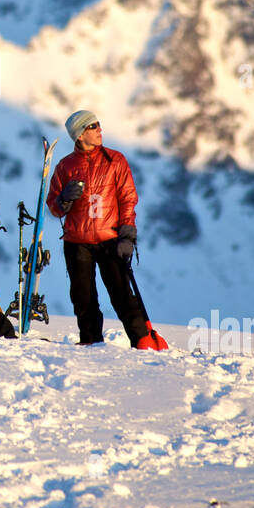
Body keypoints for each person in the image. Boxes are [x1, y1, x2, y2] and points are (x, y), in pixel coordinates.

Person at [45, 110, 165, 349]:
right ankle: (90, 345)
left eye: (98, 124)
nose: (99, 128)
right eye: (92, 126)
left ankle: (143, 342)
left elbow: (128, 198)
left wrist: (128, 235)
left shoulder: (115, 160)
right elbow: (54, 207)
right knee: (83, 299)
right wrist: (64, 199)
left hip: (111, 239)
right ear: (79, 135)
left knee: (122, 295)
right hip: (77, 242)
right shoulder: (65, 166)